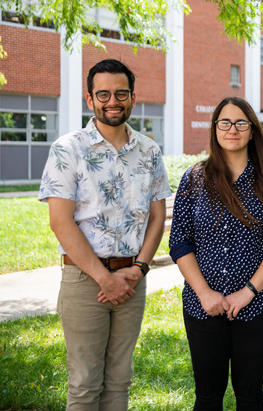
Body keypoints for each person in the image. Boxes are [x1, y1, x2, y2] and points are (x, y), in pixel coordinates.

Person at [39, 59, 170, 410]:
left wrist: (139, 269)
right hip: (85, 280)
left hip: (132, 277)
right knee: (84, 383)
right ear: (90, 99)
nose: (113, 101)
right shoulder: (68, 149)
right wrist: (103, 278)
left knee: (120, 380)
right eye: (104, 94)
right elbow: (60, 221)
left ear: (133, 98)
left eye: (121, 94)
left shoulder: (149, 151)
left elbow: (157, 217)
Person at [169, 96, 263, 411]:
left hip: (256, 305)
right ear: (215, 129)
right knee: (207, 397)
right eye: (225, 122)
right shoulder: (195, 178)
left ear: (252, 130)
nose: (232, 129)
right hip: (203, 306)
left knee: (250, 396)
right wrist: (204, 292)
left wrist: (247, 292)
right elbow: (180, 242)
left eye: (241, 123)